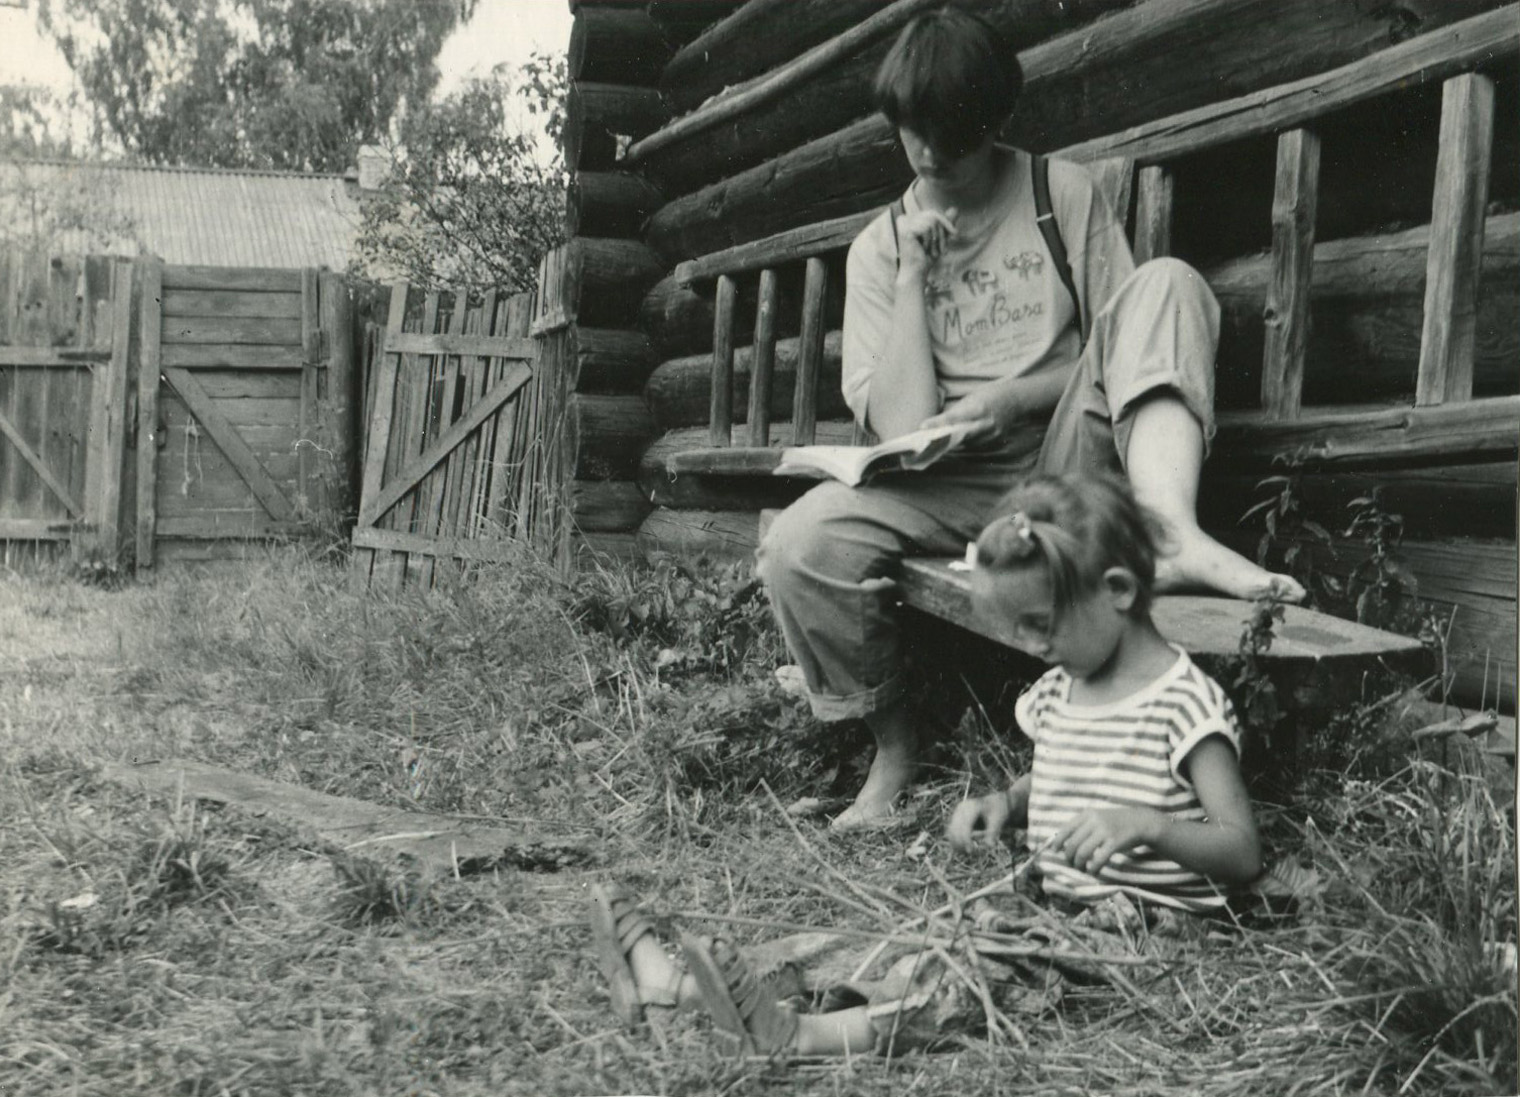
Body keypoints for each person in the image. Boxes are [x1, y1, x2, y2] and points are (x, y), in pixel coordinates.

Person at [754, 4, 1303, 830]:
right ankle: (895, 749)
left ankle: (1167, 529)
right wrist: (912, 279)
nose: (932, 155)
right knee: (798, 546)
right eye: (914, 134)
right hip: (943, 484)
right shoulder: (879, 249)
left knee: (1167, 283)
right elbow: (903, 422)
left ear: (996, 119)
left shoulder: (1059, 193)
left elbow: (1122, 346)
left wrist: (1007, 399)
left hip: (1063, 457)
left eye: (954, 135)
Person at [591, 473, 1264, 1056]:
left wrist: (1146, 824)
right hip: (1049, 906)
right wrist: (1007, 801)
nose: (1028, 644)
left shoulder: (1184, 702)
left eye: (1039, 622)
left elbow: (1240, 850)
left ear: (1118, 589)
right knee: (910, 940)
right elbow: (1068, 773)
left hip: (1138, 934)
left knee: (972, 975)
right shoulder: (1064, 685)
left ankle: (802, 1038)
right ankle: (676, 982)